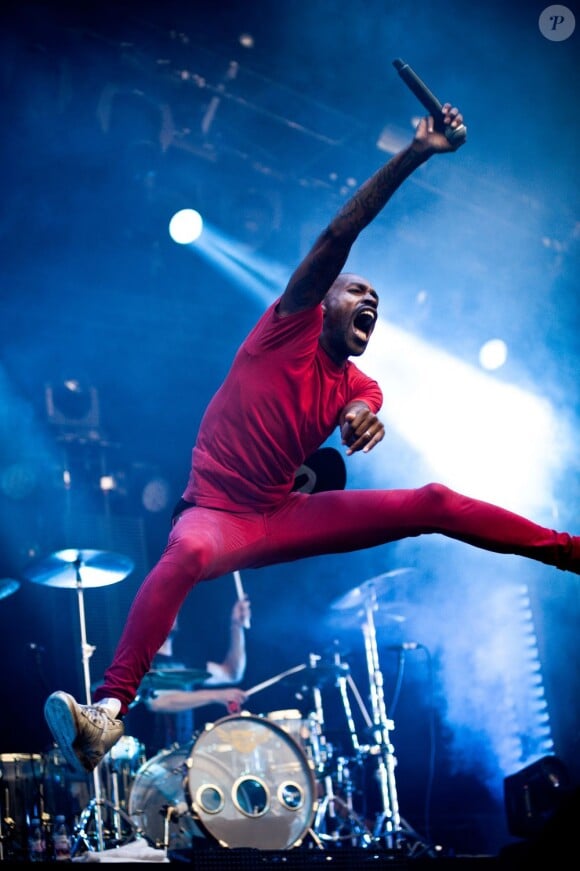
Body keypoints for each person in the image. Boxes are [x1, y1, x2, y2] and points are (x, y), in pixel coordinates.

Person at [44, 100, 580, 776]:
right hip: (219, 515)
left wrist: (360, 418)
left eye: (377, 302)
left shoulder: (361, 382)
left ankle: (571, 553)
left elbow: (363, 407)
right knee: (184, 552)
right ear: (322, 297)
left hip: (281, 515)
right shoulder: (287, 323)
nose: (370, 301)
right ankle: (106, 714)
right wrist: (417, 153)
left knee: (434, 500)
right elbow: (337, 235)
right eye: (357, 290)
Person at [126, 597, 250, 757]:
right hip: (151, 762)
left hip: (185, 757)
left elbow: (232, 674)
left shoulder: (188, 663)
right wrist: (217, 695)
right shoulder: (139, 662)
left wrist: (236, 626)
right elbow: (159, 702)